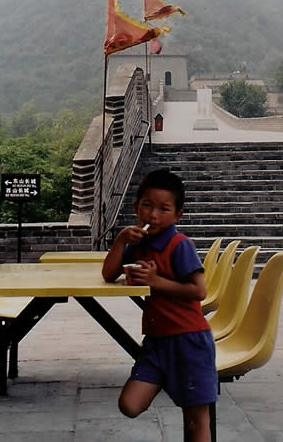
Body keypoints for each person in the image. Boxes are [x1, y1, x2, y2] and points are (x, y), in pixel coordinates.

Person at [102, 169, 217, 442]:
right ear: (136, 207)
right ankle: (169, 379)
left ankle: (177, 379)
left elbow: (199, 291)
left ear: (178, 215)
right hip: (156, 343)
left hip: (189, 342)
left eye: (164, 209)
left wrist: (155, 281)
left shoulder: (180, 245)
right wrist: (120, 240)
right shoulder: (139, 243)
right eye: (147, 205)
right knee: (130, 404)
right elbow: (108, 274)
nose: (153, 215)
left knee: (195, 419)